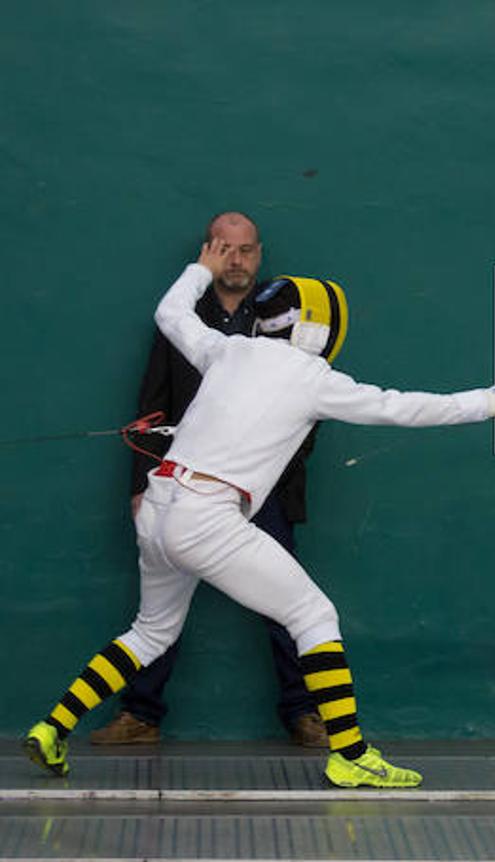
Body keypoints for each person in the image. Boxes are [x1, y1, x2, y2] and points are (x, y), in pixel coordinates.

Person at [21, 238, 495, 787]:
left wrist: (201, 269)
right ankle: (352, 754)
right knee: (313, 616)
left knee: (150, 632)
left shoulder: (228, 350)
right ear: (316, 329)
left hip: (160, 503)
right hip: (206, 516)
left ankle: (53, 728)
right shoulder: (314, 379)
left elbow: (170, 313)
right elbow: (411, 408)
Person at [93, 211, 326, 749]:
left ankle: (303, 712)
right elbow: (150, 410)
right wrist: (141, 483)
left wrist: (278, 467)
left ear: (260, 254)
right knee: (160, 613)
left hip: (262, 490)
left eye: (245, 250)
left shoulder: (278, 318)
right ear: (208, 253)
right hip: (184, 492)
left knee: (287, 603)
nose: (237, 259)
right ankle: (141, 714)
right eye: (226, 249)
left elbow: (308, 402)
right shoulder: (182, 320)